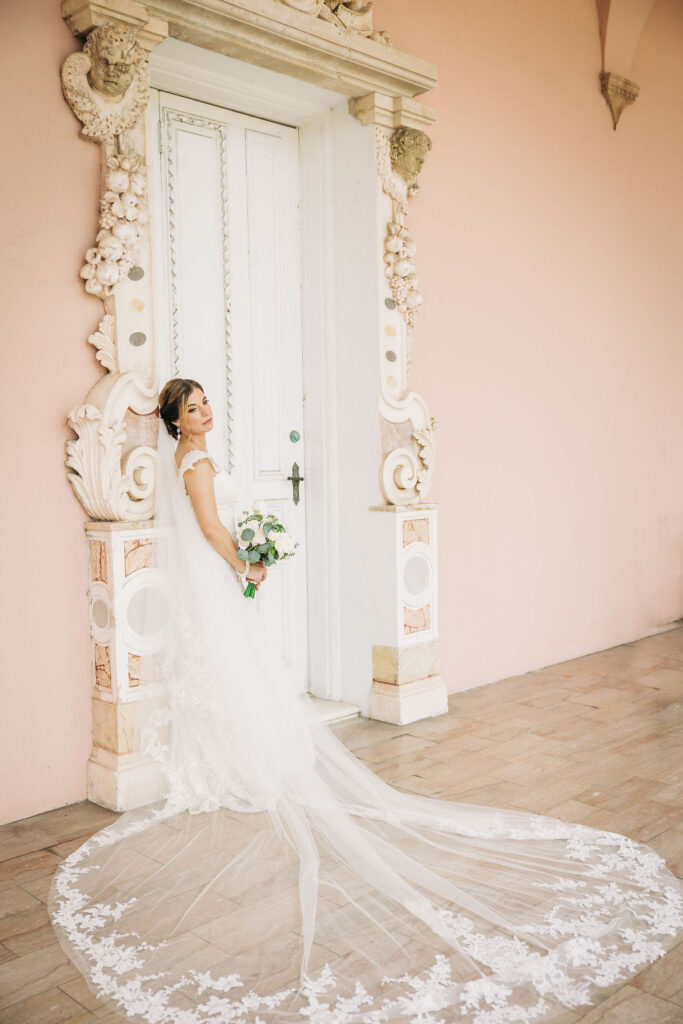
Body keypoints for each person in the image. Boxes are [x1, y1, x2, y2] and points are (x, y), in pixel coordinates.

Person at [49, 378, 683, 1024]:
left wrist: (244, 560)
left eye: (206, 402)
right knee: (235, 671)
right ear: (175, 423)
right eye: (192, 408)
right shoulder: (196, 462)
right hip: (220, 580)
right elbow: (212, 529)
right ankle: (237, 762)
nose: (205, 412)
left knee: (233, 674)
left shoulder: (193, 458)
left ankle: (231, 757)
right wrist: (246, 564)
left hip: (216, 586)